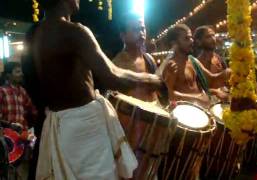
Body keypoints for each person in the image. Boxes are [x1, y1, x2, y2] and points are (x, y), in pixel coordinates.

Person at [26, 0, 163, 179]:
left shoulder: (33, 34)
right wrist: (151, 79)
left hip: (60, 125)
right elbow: (113, 76)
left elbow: (31, 84)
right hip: (85, 131)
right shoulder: (75, 31)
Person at [113, 13, 165, 180]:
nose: (141, 33)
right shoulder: (117, 64)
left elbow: (155, 91)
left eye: (142, 28)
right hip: (130, 131)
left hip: (151, 128)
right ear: (122, 36)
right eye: (135, 29)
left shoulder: (149, 59)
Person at [161, 24, 231, 109]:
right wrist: (197, 98)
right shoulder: (172, 66)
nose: (191, 41)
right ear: (174, 44)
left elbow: (212, 79)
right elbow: (169, 95)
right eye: (186, 39)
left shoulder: (193, 61)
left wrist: (230, 72)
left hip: (202, 110)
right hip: (187, 114)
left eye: (191, 37)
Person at [0, 62, 37, 180]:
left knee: (23, 171)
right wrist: (9, 125)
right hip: (6, 140)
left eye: (21, 71)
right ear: (8, 76)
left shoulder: (22, 91)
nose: (21, 74)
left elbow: (33, 111)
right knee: (8, 171)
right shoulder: (2, 91)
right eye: (17, 72)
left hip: (22, 139)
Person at [194, 26, 229, 102]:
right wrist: (215, 92)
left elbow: (226, 81)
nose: (213, 39)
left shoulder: (219, 58)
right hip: (208, 103)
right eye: (208, 37)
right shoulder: (196, 63)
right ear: (198, 41)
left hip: (224, 100)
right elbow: (197, 89)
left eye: (213, 35)